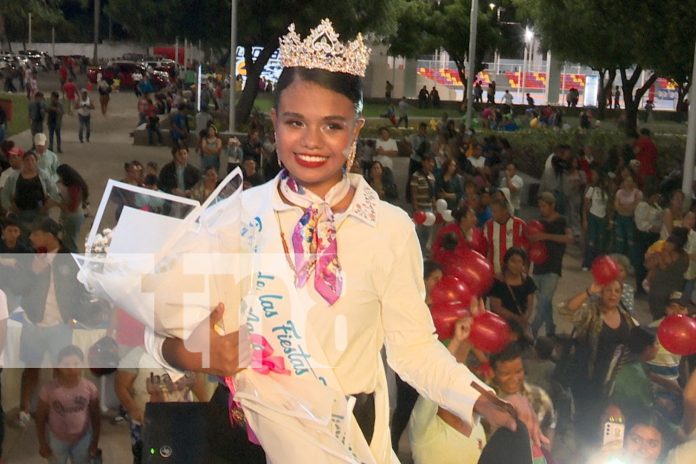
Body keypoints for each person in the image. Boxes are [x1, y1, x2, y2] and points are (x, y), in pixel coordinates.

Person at [144, 20, 517, 463]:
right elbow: (153, 328)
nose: (312, 142)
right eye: (296, 122)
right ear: (275, 123)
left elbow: (413, 348)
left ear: (356, 131)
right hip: (249, 438)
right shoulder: (234, 216)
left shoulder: (389, 229)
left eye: (332, 126)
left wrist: (473, 396)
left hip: (347, 437)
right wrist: (189, 353)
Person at [559, 279, 637, 449]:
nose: (613, 295)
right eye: (608, 290)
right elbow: (565, 310)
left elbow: (631, 347)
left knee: (600, 420)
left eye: (617, 291)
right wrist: (588, 291)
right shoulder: (592, 313)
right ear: (601, 292)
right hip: (586, 378)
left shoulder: (625, 316)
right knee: (583, 420)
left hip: (609, 380)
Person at [408, 306, 488, 464]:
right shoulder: (424, 430)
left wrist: (469, 337)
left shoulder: (478, 428)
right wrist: (457, 341)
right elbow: (437, 377)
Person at [115, 346, 209, 464]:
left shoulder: (183, 354)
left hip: (182, 420)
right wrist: (133, 409)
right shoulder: (136, 356)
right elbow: (120, 386)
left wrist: (207, 406)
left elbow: (196, 381)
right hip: (148, 421)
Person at [36, 345, 101, 464]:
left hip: (83, 438)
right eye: (66, 365)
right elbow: (40, 417)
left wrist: (94, 442)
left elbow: (96, 416)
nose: (71, 368)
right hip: (57, 439)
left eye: (76, 364)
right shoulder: (48, 390)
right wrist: (43, 443)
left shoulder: (90, 389)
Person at [490, 343, 557, 450]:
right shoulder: (482, 397)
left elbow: (549, 427)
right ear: (492, 373)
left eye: (518, 371)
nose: (514, 379)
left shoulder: (540, 398)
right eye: (505, 374)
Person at [530, 192, 573, 338]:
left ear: (552, 205)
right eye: (540, 206)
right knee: (544, 302)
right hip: (538, 266)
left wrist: (546, 236)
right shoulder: (539, 222)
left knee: (544, 301)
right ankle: (550, 328)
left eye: (544, 206)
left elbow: (569, 238)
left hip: (553, 267)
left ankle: (533, 327)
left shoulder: (562, 221)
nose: (541, 209)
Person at [0, 151, 58, 232]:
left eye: (32, 160)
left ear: (36, 161)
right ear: (23, 162)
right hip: (20, 213)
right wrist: (9, 207)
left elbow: (54, 190)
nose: (30, 162)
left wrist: (47, 206)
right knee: (23, 235)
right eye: (27, 160)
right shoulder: (13, 177)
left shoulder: (43, 175)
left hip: (40, 212)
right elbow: (4, 193)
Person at [489, 248, 537, 333]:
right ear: (506, 263)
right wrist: (517, 318)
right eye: (513, 261)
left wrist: (525, 318)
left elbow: (530, 305)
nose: (517, 265)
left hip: (520, 326)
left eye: (520, 262)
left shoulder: (528, 281)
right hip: (500, 324)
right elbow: (496, 307)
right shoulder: (497, 282)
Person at [645, 228, 689, 320]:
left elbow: (648, 265)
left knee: (658, 317)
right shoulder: (685, 257)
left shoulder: (662, 254)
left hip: (659, 291)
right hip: (675, 291)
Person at [483, 198, 527, 275]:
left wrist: (525, 270)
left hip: (515, 273)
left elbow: (526, 250)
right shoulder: (488, 226)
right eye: (491, 211)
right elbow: (488, 249)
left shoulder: (519, 225)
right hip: (495, 273)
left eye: (495, 211)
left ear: (505, 211)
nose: (492, 214)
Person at [54, 164, 89, 253]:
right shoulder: (74, 186)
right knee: (67, 241)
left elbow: (72, 208)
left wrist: (56, 203)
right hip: (72, 216)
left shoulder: (73, 188)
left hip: (73, 217)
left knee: (70, 243)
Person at [613, 171, 643, 271]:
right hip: (620, 218)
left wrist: (625, 207)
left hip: (631, 220)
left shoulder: (637, 193)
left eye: (631, 181)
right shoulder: (619, 192)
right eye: (627, 181)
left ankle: (630, 264)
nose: (628, 183)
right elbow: (617, 206)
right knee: (619, 241)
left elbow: (636, 207)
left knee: (631, 242)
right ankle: (617, 263)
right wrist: (626, 207)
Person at [634, 187, 662, 291]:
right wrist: (651, 227)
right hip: (643, 237)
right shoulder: (642, 206)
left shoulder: (657, 207)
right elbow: (640, 223)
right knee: (641, 262)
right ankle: (640, 287)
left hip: (653, 238)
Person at [582, 167, 610, 270]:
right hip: (593, 216)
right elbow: (585, 205)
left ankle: (597, 264)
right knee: (591, 241)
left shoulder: (607, 193)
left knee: (600, 242)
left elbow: (607, 207)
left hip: (602, 218)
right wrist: (585, 219)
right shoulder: (592, 189)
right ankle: (587, 263)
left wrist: (608, 219)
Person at [411, 154, 437, 254]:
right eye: (429, 161)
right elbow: (413, 192)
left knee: (427, 232)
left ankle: (422, 251)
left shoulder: (432, 177)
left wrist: (434, 205)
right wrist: (416, 208)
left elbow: (432, 193)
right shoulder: (416, 175)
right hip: (420, 207)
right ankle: (415, 251)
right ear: (423, 162)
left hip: (429, 208)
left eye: (432, 162)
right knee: (418, 232)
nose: (431, 164)